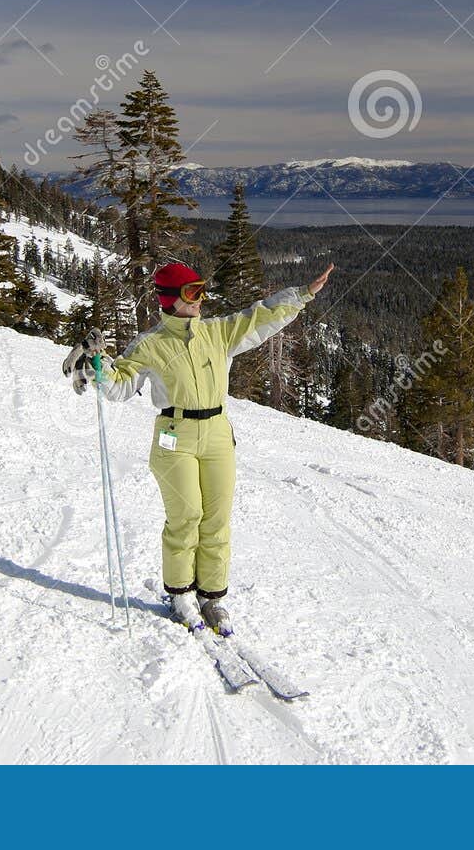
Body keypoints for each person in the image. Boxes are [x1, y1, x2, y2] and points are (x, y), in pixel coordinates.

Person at [64, 260, 334, 635]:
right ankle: (180, 595)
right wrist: (97, 366)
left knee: (217, 518)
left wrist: (302, 295)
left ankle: (211, 597)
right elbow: (120, 386)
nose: (201, 299)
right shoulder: (151, 344)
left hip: (218, 434)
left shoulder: (216, 332)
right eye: (192, 293)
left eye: (202, 290)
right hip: (175, 437)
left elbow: (257, 319)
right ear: (172, 300)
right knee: (186, 516)